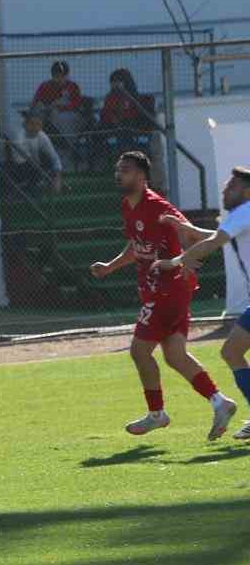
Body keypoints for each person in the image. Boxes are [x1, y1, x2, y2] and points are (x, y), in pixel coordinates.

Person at [90, 151, 236, 439]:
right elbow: (136, 246)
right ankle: (220, 403)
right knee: (175, 355)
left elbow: (195, 235)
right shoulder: (128, 206)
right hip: (159, 289)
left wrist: (182, 257)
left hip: (169, 289)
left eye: (127, 170)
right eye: (118, 169)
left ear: (142, 177)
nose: (120, 174)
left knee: (139, 350)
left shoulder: (157, 207)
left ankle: (157, 414)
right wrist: (110, 267)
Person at [154, 166, 250, 440]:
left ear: (246, 191)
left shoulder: (244, 212)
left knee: (232, 352)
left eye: (231, 186)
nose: (224, 189)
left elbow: (211, 245)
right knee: (232, 352)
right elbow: (217, 236)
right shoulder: (242, 216)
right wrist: (190, 230)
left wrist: (173, 262)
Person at [32, 60, 88, 167]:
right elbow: (36, 102)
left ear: (67, 75)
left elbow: (77, 104)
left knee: (65, 120)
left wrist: (61, 107)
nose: (59, 78)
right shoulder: (45, 86)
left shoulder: (73, 87)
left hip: (69, 120)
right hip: (49, 122)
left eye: (62, 76)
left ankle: (66, 153)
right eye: (56, 76)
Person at [3, 111, 64, 195]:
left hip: (33, 165)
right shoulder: (18, 137)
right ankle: (22, 189)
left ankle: (33, 188)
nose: (35, 127)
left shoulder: (42, 136)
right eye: (32, 124)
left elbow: (54, 157)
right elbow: (20, 161)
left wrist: (57, 178)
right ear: (25, 125)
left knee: (48, 160)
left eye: (38, 124)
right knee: (27, 167)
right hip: (17, 167)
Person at [97, 68, 147, 166]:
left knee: (125, 131)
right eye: (113, 82)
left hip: (129, 124)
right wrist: (112, 118)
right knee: (97, 131)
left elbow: (136, 113)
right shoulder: (110, 96)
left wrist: (121, 118)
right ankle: (100, 160)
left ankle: (128, 159)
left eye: (117, 82)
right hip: (111, 124)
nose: (114, 84)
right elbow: (104, 113)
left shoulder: (132, 95)